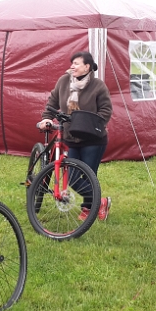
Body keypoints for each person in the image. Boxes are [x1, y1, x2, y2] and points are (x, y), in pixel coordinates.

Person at [37, 51, 113, 221]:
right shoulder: (64, 81)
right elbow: (52, 102)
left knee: (88, 175)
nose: (72, 66)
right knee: (71, 177)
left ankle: (87, 208)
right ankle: (99, 202)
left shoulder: (98, 86)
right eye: (72, 63)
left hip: (93, 139)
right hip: (70, 137)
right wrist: (46, 118)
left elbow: (106, 111)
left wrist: (88, 122)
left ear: (87, 67)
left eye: (77, 63)